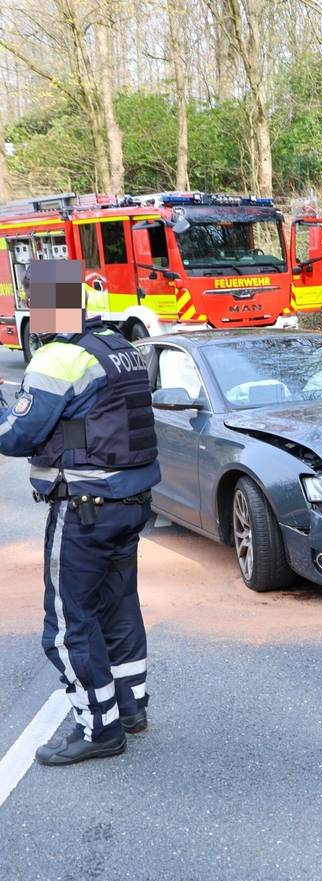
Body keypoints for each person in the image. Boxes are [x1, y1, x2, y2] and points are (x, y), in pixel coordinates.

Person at [0, 260, 160, 766]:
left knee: (67, 624)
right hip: (131, 504)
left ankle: (98, 729)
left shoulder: (57, 359)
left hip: (84, 508)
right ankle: (130, 708)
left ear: (43, 307)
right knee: (117, 606)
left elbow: (15, 436)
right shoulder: (121, 349)